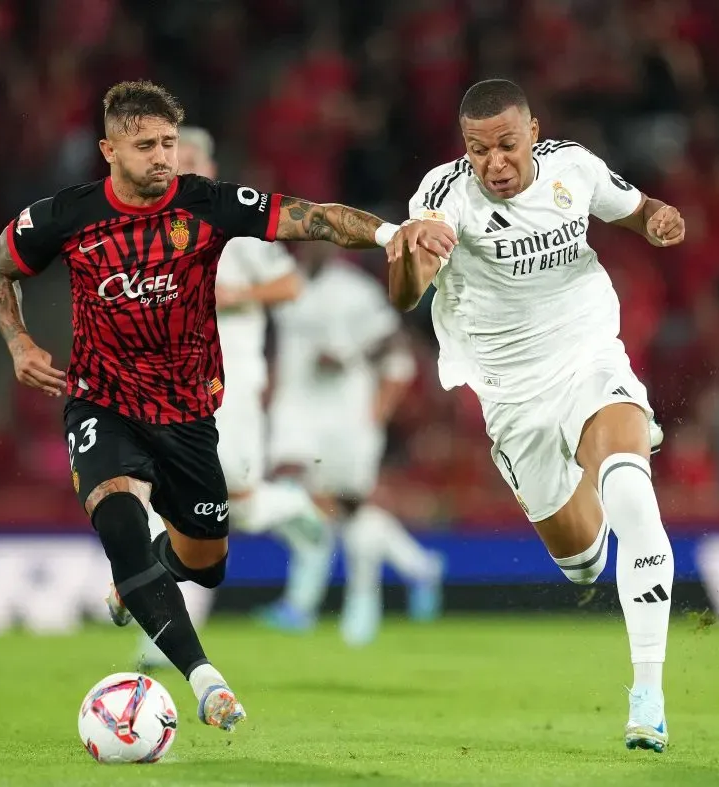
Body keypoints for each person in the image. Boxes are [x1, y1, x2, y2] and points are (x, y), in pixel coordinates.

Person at [0, 80, 456, 732]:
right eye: (145, 144)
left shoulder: (207, 205)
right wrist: (18, 341)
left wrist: (394, 232)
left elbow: (311, 216)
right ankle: (207, 681)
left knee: (207, 560)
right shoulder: (65, 215)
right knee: (119, 520)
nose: (162, 156)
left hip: (187, 414)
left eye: (169, 143)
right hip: (101, 401)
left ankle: (139, 580)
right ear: (108, 149)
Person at [387, 79, 681, 752]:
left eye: (507, 145)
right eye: (478, 149)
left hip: (587, 355)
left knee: (633, 491)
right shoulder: (442, 196)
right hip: (513, 394)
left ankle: (647, 695)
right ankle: (604, 455)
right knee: (581, 563)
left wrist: (662, 220)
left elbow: (641, 210)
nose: (494, 162)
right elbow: (406, 297)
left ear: (533, 133)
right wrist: (413, 255)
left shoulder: (573, 167)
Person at [132, 126, 331, 670]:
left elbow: (291, 284)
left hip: (233, 381)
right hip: (170, 383)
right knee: (158, 498)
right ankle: (158, 630)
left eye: (188, 156)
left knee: (238, 506)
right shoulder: (148, 231)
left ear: (211, 166)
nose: (176, 166)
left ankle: (297, 510)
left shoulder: (232, 226)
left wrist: (236, 294)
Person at [264, 242, 444, 647]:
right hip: (295, 415)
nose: (315, 245)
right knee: (287, 495)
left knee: (349, 510)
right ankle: (416, 567)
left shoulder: (356, 290)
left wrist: (349, 357)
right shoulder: (285, 284)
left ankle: (351, 602)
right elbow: (282, 348)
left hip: (346, 417)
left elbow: (393, 341)